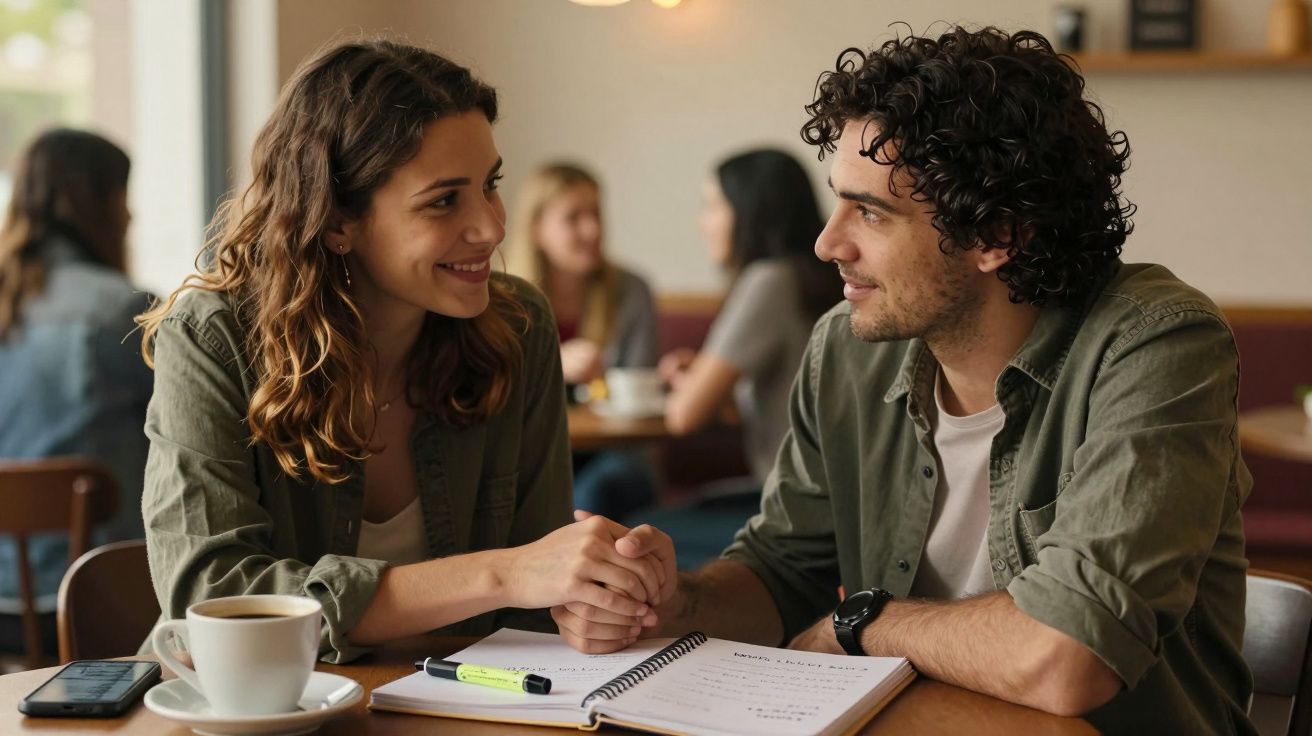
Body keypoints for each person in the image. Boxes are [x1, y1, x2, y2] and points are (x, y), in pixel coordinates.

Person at [557, 27, 1254, 733]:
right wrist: (672, 603)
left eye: (870, 211)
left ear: (996, 235)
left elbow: (1067, 652)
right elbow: (784, 569)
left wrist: (862, 625)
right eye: (837, 201)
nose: (828, 243)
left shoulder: (1155, 345)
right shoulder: (847, 350)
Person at [138, 40, 669, 664]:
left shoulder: (519, 326)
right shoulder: (216, 336)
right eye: (445, 199)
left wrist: (599, 601)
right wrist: (504, 574)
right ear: (337, 219)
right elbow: (212, 599)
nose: (493, 228)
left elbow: (538, 598)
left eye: (489, 185)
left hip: (465, 707)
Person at [640, 148, 842, 567]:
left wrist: (691, 385)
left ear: (750, 210)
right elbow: (784, 400)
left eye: (714, 205)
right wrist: (708, 381)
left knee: (633, 534)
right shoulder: (818, 279)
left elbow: (683, 416)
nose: (703, 220)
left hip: (794, 505)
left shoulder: (768, 281)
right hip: (832, 498)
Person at [0, 129, 152, 655]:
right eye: (124, 199)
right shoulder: (123, 312)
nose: (131, 217)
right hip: (95, 603)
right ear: (102, 204)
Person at [505, 163, 659, 518]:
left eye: (595, 214)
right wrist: (553, 362)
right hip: (532, 456)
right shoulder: (504, 298)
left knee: (590, 496)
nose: (592, 229)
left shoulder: (632, 291)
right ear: (536, 228)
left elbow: (638, 389)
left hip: (615, 455)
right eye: (573, 218)